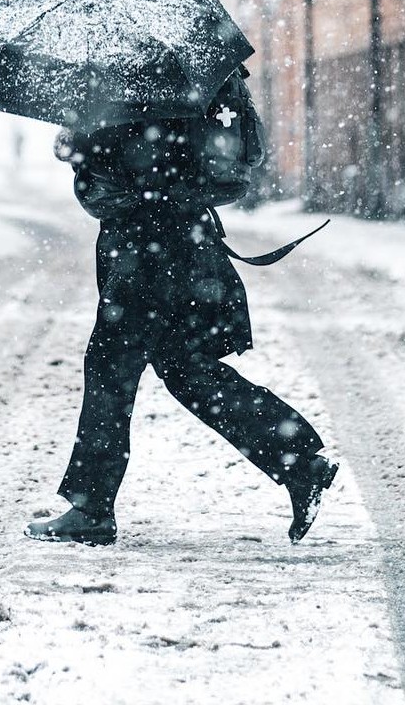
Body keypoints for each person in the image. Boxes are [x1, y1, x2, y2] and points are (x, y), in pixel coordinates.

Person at [27, 68, 337, 547]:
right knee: (186, 366)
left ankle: (90, 508)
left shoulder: (126, 76)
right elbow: (199, 160)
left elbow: (116, 164)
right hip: (188, 239)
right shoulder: (197, 71)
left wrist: (75, 139)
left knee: (111, 367)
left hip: (143, 246)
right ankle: (299, 462)